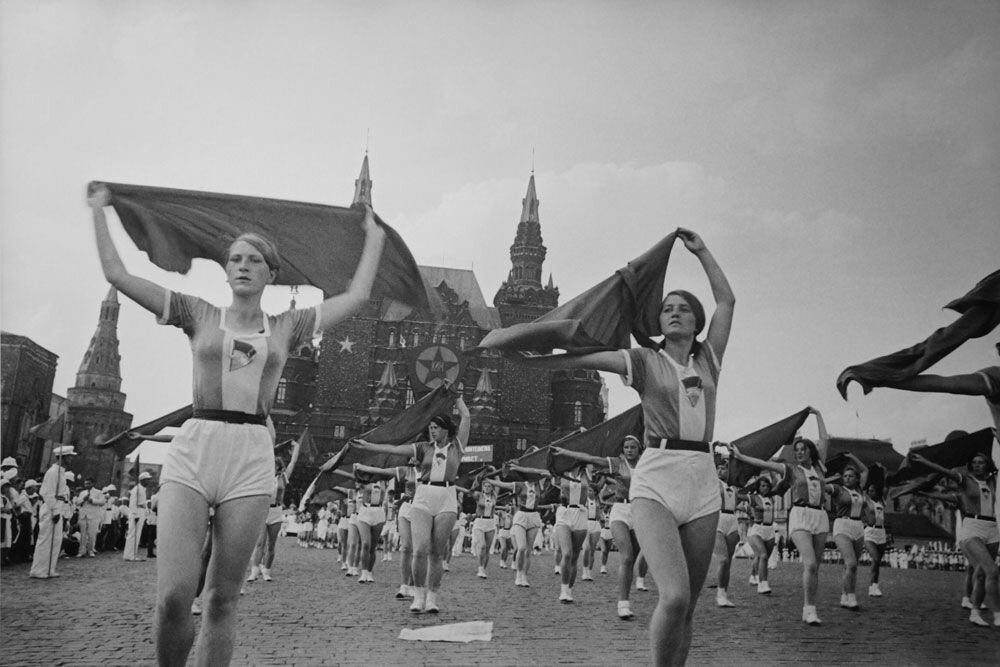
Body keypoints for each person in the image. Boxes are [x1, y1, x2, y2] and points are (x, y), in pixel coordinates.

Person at [89, 183, 386, 666]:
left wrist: (372, 236)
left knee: (222, 600)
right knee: (172, 598)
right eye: (234, 259)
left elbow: (358, 295)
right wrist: (101, 210)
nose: (242, 265)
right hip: (196, 446)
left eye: (253, 260)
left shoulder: (287, 326)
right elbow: (116, 272)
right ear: (225, 270)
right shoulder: (196, 312)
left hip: (250, 454)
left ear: (271, 273)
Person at [517, 228, 734, 662]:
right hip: (657, 475)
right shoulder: (643, 360)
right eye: (667, 308)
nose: (674, 313)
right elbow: (589, 358)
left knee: (688, 606)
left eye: (683, 309)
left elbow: (727, 301)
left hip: (703, 479)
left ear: (696, 322)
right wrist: (545, 360)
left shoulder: (709, 358)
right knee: (672, 597)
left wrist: (703, 253)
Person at [351, 395, 470, 614]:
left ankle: (432, 598)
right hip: (423, 496)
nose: (432, 430)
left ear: (445, 429)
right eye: (431, 427)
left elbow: (466, 417)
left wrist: (456, 397)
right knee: (419, 549)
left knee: (436, 553)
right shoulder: (423, 447)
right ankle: (418, 595)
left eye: (436, 427)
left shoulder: (457, 447)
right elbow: (394, 449)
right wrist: (369, 445)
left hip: (447, 497)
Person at [730, 407, 830, 626]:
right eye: (797, 450)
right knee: (810, 563)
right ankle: (809, 609)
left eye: (803, 449)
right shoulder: (791, 470)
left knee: (816, 567)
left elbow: (824, 438)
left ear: (810, 452)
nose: (800, 453)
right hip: (801, 516)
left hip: (820, 517)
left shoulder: (820, 468)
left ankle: (809, 607)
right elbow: (764, 464)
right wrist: (741, 456)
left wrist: (817, 414)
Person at [908, 450, 998, 627]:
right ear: (970, 466)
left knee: (980, 573)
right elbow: (944, 471)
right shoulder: (965, 480)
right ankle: (996, 612)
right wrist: (924, 461)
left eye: (982, 462)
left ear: (987, 465)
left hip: (992, 529)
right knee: (992, 571)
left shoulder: (993, 481)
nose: (978, 465)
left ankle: (975, 612)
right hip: (972, 527)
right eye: (975, 462)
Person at [248, 436, 301, 582]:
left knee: (271, 544)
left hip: (276, 511)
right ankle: (254, 571)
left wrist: (296, 448)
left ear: (278, 466)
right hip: (263, 511)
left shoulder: (283, 477)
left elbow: (293, 462)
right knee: (260, 543)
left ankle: (267, 570)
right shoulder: (263, 476)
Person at [826, 455, 869, 611]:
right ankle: (851, 597)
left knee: (852, 566)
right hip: (842, 525)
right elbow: (820, 485)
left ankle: (844, 595)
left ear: (856, 479)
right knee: (850, 564)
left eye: (851, 476)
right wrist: (831, 478)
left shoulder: (859, 490)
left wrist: (852, 457)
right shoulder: (838, 489)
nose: (847, 478)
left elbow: (865, 470)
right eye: (845, 476)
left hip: (858, 526)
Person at [29, 447, 77, 579]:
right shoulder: (53, 472)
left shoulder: (60, 472)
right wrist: (55, 511)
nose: (71, 458)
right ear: (63, 457)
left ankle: (49, 569)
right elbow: (46, 493)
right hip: (51, 508)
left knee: (55, 541)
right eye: (69, 456)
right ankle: (38, 570)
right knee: (45, 540)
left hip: (58, 507)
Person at [713, 455, 742, 608]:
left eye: (723, 468)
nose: (720, 471)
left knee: (728, 562)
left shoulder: (734, 487)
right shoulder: (713, 483)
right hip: (718, 518)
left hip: (732, 520)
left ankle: (724, 594)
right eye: (718, 468)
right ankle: (719, 594)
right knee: (723, 560)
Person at [744, 474, 780, 595]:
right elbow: (739, 497)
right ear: (758, 487)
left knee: (762, 558)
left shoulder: (771, 497)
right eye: (762, 486)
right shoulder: (754, 497)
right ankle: (762, 583)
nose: (765, 488)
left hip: (769, 530)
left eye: (767, 486)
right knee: (762, 555)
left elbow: (777, 484)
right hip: (757, 528)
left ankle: (756, 576)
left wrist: (771, 470)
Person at [124, 472, 153, 562]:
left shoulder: (142, 489)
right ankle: (130, 555)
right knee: (133, 535)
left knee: (136, 534)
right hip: (136, 513)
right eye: (147, 479)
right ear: (142, 480)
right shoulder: (137, 489)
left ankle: (131, 554)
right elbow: (132, 503)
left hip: (140, 512)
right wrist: (135, 514)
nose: (149, 481)